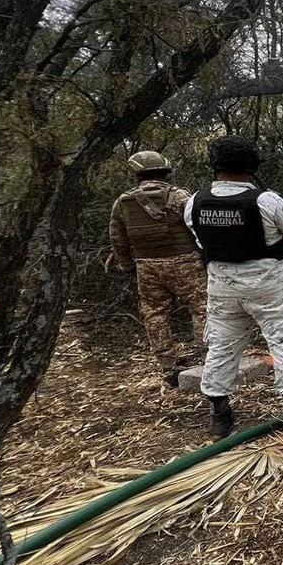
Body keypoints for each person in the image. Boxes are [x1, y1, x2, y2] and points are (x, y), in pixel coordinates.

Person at [183, 136, 283, 438]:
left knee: (221, 346)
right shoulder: (266, 201)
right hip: (268, 285)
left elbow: (200, 240)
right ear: (252, 166)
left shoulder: (195, 202)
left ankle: (220, 416)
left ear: (215, 166)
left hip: (222, 286)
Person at [109, 151, 208, 388]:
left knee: (155, 314)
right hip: (185, 262)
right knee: (202, 307)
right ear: (165, 172)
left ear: (138, 174)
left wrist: (126, 265)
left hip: (147, 265)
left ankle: (169, 366)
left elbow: (117, 238)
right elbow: (200, 228)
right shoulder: (181, 196)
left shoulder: (123, 201)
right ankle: (209, 358)